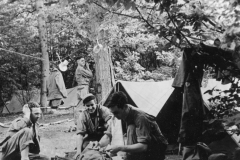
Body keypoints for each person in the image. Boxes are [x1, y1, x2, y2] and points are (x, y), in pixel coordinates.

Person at [99, 91, 168, 160]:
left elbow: (143, 146)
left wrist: (120, 148)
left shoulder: (140, 118)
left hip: (156, 149)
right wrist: (99, 145)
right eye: (113, 113)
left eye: (116, 113)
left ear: (124, 107)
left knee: (131, 127)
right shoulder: (122, 113)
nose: (114, 116)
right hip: (146, 148)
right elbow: (108, 134)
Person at [74, 94, 112, 158]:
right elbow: (80, 135)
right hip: (92, 137)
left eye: (92, 105)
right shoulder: (83, 115)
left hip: (105, 136)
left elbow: (111, 125)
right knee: (84, 147)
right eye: (88, 106)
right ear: (84, 106)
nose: (90, 108)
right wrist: (78, 151)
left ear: (96, 103)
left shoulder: (103, 110)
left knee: (106, 150)